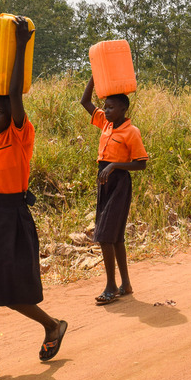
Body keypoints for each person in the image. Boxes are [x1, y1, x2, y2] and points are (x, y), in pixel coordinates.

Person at [0, 15, 68, 380]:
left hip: (11, 217)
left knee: (7, 291)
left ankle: (52, 325)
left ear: (11, 116)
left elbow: (16, 94)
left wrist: (20, 45)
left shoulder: (20, 135)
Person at [81, 77, 149, 305]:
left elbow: (141, 163)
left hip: (119, 183)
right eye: (105, 107)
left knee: (105, 236)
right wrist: (95, 78)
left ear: (124, 109)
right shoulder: (106, 123)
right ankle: (126, 284)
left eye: (111, 107)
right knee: (116, 236)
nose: (106, 111)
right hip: (104, 182)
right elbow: (85, 101)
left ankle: (111, 286)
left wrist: (115, 165)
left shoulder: (132, 132)